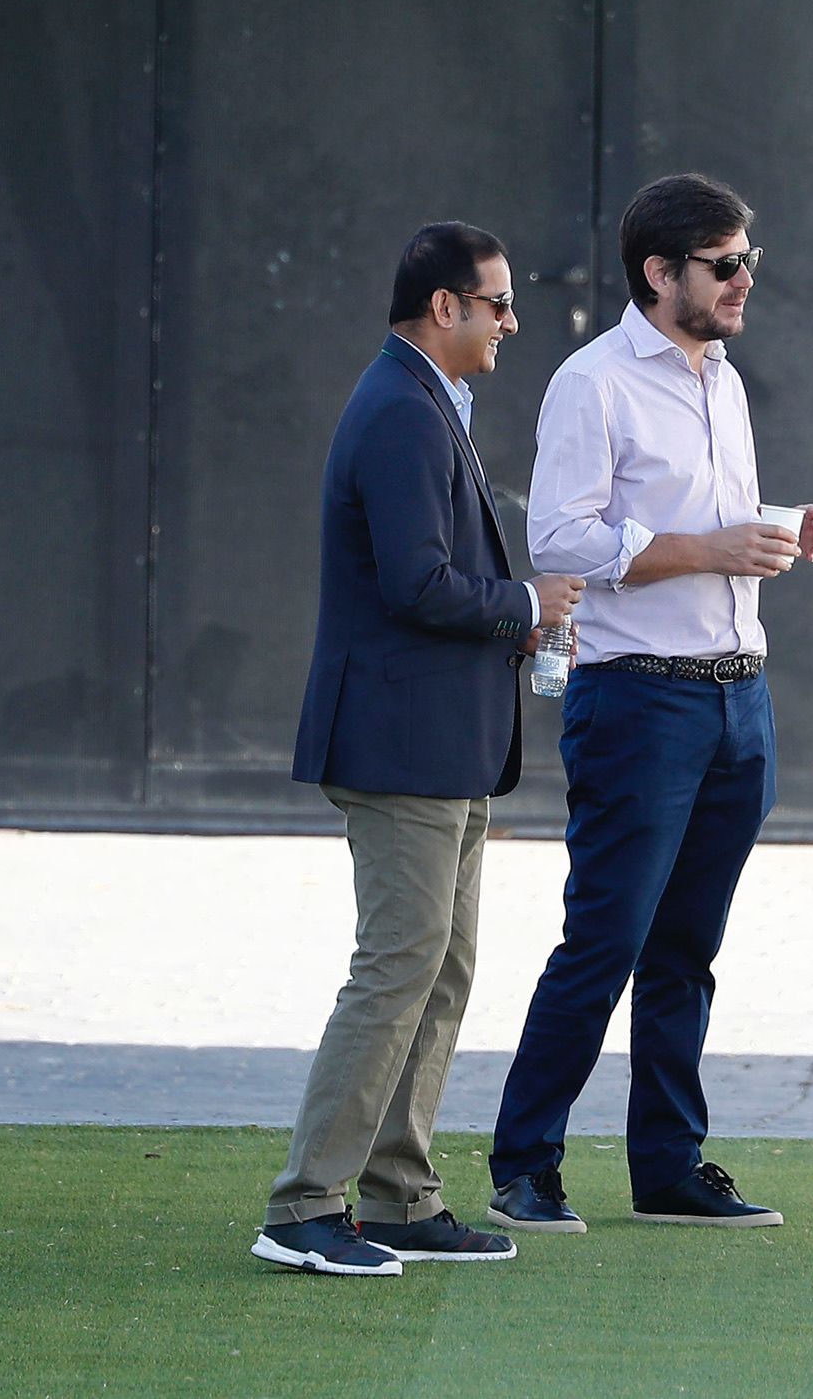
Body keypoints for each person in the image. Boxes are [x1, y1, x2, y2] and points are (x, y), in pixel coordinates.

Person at [486, 173, 813, 1234]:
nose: (743, 281)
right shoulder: (592, 383)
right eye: (724, 264)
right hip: (638, 700)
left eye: (746, 262)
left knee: (688, 948)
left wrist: (777, 535)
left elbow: (709, 533)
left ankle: (669, 1167)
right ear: (660, 272)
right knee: (607, 939)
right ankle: (523, 1164)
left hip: (737, 696)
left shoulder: (719, 376)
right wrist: (706, 550)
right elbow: (561, 539)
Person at [253, 222, 585, 1277]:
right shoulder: (401, 408)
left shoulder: (424, 401)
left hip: (445, 746)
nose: (510, 322)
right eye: (497, 304)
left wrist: (519, 611)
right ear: (446, 307)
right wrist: (528, 601)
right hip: (402, 747)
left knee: (441, 968)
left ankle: (398, 1194)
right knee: (398, 969)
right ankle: (306, 1204)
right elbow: (417, 584)